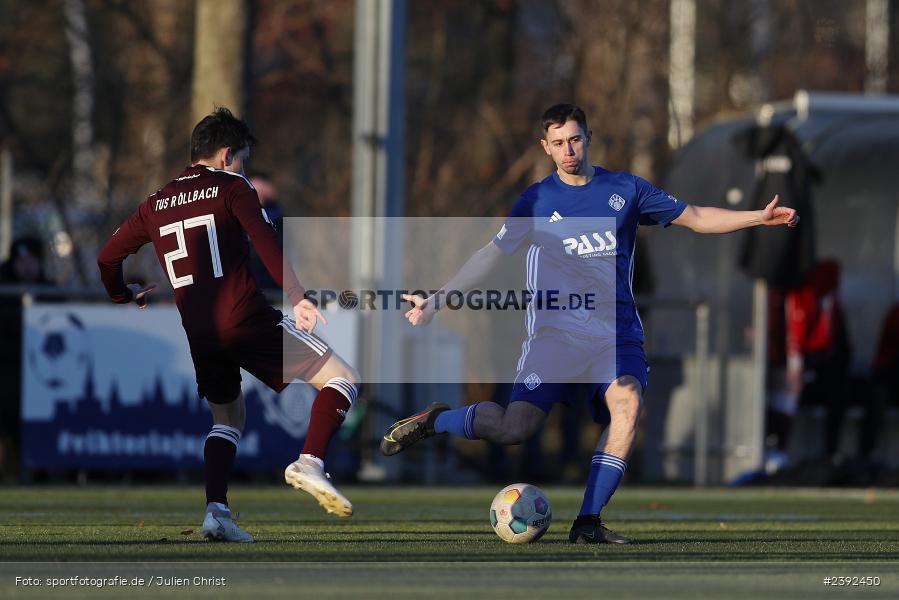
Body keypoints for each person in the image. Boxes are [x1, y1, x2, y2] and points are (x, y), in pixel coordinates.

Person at [381, 103, 798, 544]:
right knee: (513, 429)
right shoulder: (536, 200)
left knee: (628, 403)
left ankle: (588, 522)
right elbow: (490, 255)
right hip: (554, 338)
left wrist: (756, 217)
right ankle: (437, 421)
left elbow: (694, 217)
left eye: (575, 139)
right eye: (558, 143)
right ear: (545, 147)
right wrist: (438, 299)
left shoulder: (626, 189)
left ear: (589, 137)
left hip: (615, 336)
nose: (568, 150)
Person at [97, 108, 360, 543]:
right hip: (243, 316)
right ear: (225, 155)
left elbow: (107, 257)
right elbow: (265, 242)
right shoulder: (232, 186)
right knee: (343, 379)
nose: (243, 168)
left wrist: (122, 294)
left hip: (200, 332)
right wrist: (298, 297)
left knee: (228, 416)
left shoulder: (155, 202)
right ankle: (309, 461)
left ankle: (217, 512)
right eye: (242, 159)